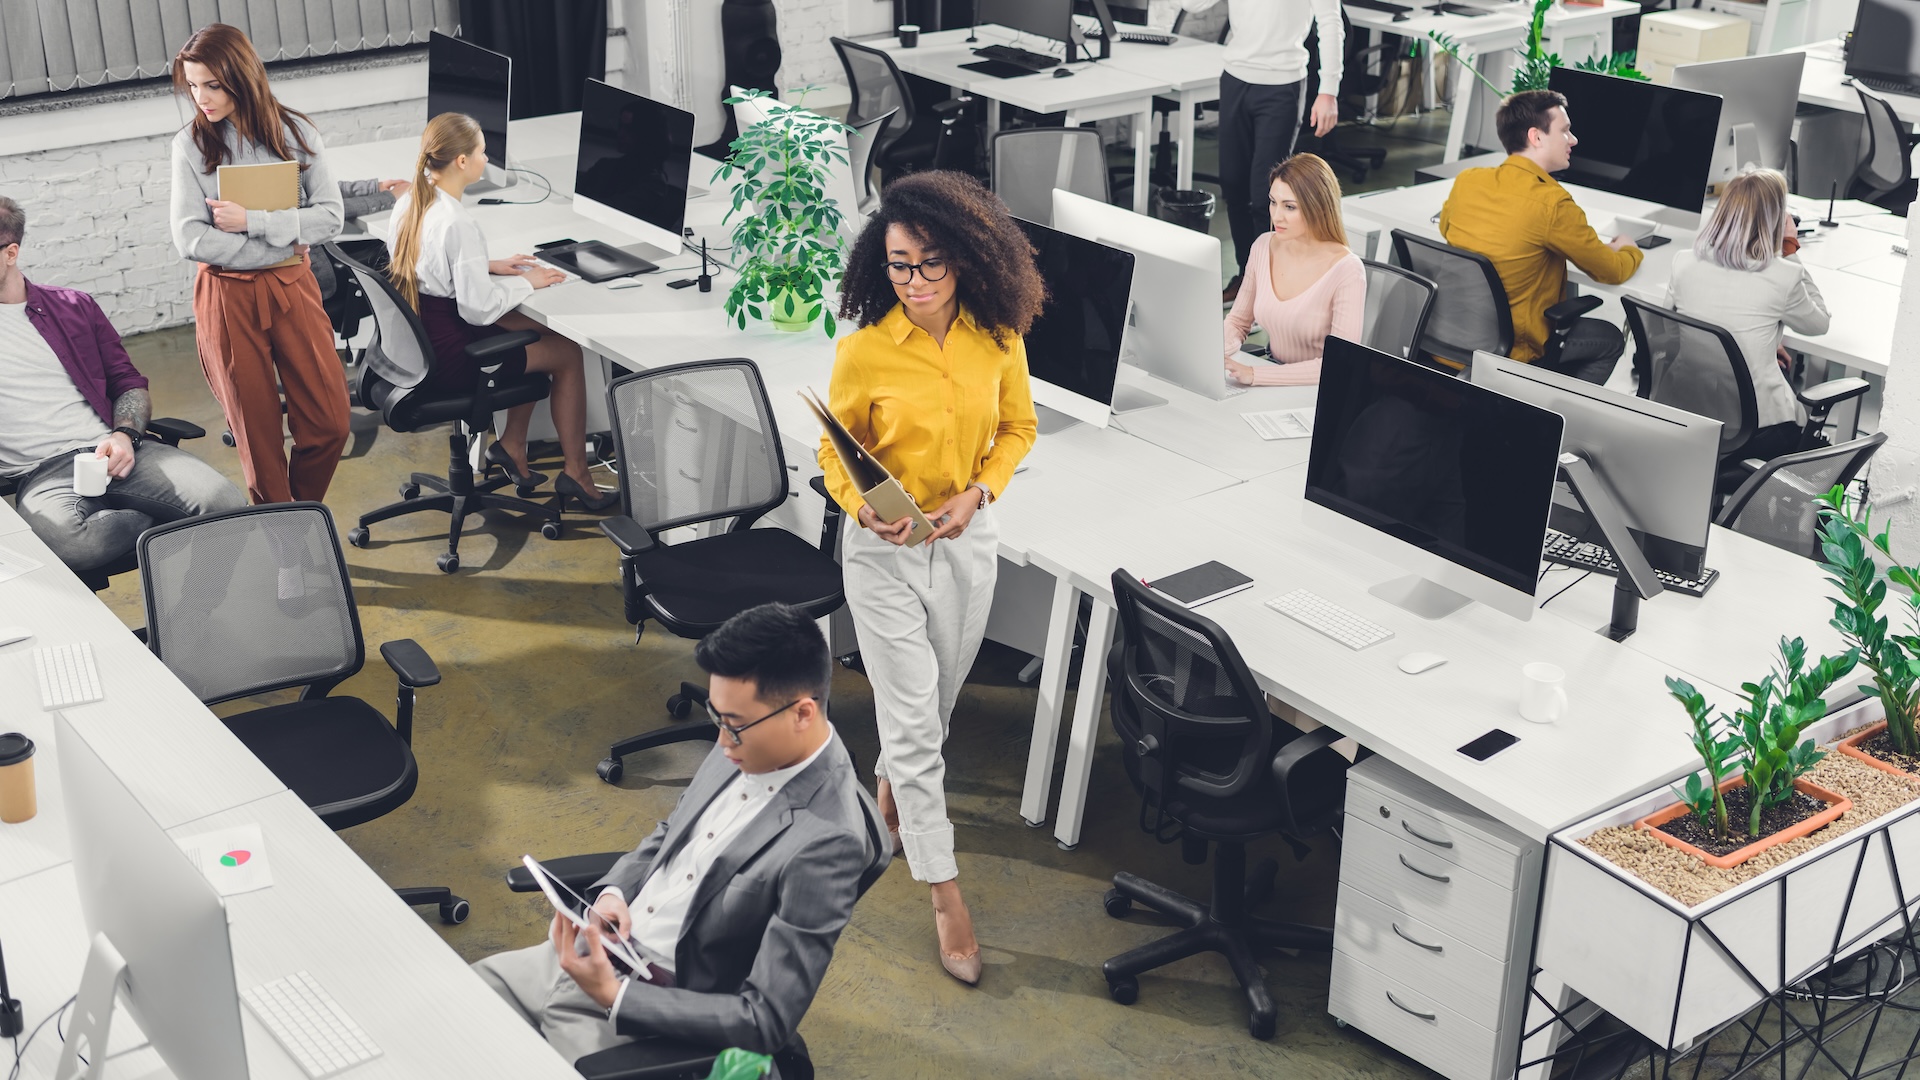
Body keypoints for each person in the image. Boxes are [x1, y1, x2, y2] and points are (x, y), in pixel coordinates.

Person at [472, 603, 884, 1072]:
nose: (721, 743)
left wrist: (616, 996)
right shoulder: (745, 736)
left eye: (733, 727)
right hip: (596, 953)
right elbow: (672, 834)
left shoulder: (828, 842)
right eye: (716, 716)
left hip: (648, 1010)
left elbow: (766, 1019)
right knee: (451, 1007)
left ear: (803, 714)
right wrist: (614, 893)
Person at [820, 170, 1044, 987]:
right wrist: (861, 505)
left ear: (971, 258)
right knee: (915, 730)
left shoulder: (999, 335)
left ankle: (887, 795)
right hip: (883, 554)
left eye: (929, 265)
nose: (912, 284)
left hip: (966, 545)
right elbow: (834, 449)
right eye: (897, 265)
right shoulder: (868, 347)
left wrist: (981, 491)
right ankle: (946, 896)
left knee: (933, 711)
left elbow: (1020, 427)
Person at [0, 196, 245, 572]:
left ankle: (191, 618)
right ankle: (170, 525)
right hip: (40, 473)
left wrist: (124, 436)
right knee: (69, 544)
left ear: (11, 252)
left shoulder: (74, 307)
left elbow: (126, 381)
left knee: (225, 503)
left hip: (114, 449)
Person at [387, 112, 615, 510]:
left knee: (533, 334)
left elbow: (433, 264)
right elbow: (478, 311)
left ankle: (512, 445)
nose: (485, 160)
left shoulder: (411, 199)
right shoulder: (458, 222)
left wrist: (485, 264)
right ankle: (576, 473)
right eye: (481, 153)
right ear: (461, 162)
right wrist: (529, 282)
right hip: (450, 356)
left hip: (421, 338)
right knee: (565, 353)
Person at [168, 22, 350, 505]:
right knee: (258, 437)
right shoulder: (189, 145)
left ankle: (296, 513)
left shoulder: (296, 133)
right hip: (227, 297)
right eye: (192, 85)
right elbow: (190, 238)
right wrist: (284, 241)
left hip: (292, 287)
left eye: (212, 84)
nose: (201, 97)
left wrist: (254, 220)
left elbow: (330, 217)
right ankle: (288, 546)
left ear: (241, 76)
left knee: (330, 422)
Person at [1439, 89, 1644, 385]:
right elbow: (1610, 271)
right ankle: (1546, 410)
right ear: (1536, 137)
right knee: (1610, 339)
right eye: (1565, 131)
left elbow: (1446, 228)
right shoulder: (1553, 203)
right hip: (1509, 351)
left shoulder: (1468, 180)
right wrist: (1628, 249)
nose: (1573, 140)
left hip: (1446, 333)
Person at [1179, 0, 1343, 303]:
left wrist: (1328, 90)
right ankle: (1247, 276)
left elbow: (1330, 22)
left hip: (1282, 84)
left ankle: (1268, 286)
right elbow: (1193, 5)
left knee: (1264, 196)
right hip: (1235, 78)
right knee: (1233, 187)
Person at [1665, 167, 1830, 461]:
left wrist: (1754, 342)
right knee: (1820, 452)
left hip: (1685, 412)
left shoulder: (1684, 262)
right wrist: (1790, 248)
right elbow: (1819, 323)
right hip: (1752, 428)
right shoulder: (1783, 276)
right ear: (1775, 220)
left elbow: (1669, 333)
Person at [1223, 153, 1364, 387]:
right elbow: (1238, 322)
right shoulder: (1263, 246)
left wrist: (1257, 375)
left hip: (1320, 391)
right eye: (1273, 202)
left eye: (1289, 207)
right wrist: (1218, 351)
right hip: (1272, 371)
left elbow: (1338, 364)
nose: (1277, 216)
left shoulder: (1347, 270)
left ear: (1317, 207)